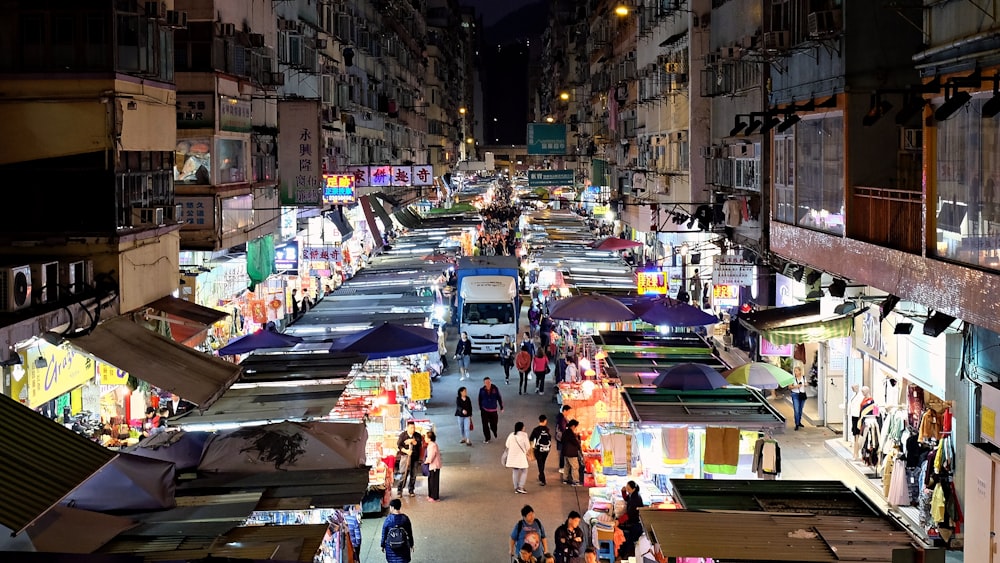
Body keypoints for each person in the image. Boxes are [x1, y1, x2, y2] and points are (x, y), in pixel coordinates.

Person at [380, 499, 414, 563]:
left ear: (392, 507)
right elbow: (410, 533)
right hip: (403, 547)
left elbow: (384, 533)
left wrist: (382, 545)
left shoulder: (388, 519)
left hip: (391, 548)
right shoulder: (405, 518)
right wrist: (411, 544)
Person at [618, 480, 645, 558]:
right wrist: (623, 492)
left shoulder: (635, 499)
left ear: (633, 489)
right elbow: (627, 499)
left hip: (635, 523)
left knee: (629, 539)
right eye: (626, 487)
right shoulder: (632, 495)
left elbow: (629, 515)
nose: (627, 489)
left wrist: (618, 521)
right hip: (633, 521)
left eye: (628, 488)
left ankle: (625, 555)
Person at [396, 421, 422, 497]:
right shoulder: (403, 435)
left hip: (415, 458)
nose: (413, 429)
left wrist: (412, 441)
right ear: (407, 428)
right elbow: (399, 446)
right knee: (404, 474)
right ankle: (399, 490)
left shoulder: (417, 435)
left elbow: (419, 443)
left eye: (414, 427)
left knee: (413, 475)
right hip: (405, 457)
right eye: (411, 427)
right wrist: (406, 451)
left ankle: (411, 490)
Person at [505, 421, 532, 494]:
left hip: (513, 457)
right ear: (522, 428)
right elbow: (528, 447)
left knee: (515, 471)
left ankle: (516, 487)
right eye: (524, 426)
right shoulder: (524, 436)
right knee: (524, 471)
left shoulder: (511, 435)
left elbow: (507, 445)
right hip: (521, 457)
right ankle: (521, 487)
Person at [528, 414, 553, 486]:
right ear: (545, 421)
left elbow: (531, 439)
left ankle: (542, 479)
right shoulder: (547, 429)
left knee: (540, 463)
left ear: (539, 420)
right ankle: (541, 475)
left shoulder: (536, 430)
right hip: (546, 450)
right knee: (543, 463)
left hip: (538, 449)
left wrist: (531, 448)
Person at [478, 377, 504, 443]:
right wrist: (480, 407)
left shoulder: (495, 389)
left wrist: (501, 407)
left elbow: (499, 398)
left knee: (494, 423)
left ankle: (494, 430)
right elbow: (479, 399)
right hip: (484, 410)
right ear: (484, 383)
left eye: (489, 382)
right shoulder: (482, 390)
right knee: (485, 425)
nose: (488, 383)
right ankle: (487, 438)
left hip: (493, 410)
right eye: (486, 382)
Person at [561, 419, 583, 486]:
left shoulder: (566, 431)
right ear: (573, 426)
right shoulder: (570, 433)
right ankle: (575, 481)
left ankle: (565, 479)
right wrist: (579, 446)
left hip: (565, 452)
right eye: (575, 427)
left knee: (567, 466)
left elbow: (562, 440)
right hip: (571, 453)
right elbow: (575, 443)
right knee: (575, 467)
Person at [423, 430, 441, 502]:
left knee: (434, 482)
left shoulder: (433, 446)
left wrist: (426, 461)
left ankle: (435, 497)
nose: (425, 439)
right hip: (432, 466)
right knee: (430, 481)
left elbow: (431, 457)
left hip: (434, 466)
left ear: (429, 438)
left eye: (426, 437)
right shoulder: (431, 445)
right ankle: (431, 495)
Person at [790, 365, 808, 430]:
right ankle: (797, 424)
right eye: (794, 371)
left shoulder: (803, 377)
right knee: (796, 410)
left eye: (796, 371)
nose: (795, 372)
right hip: (795, 394)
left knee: (800, 409)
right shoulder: (792, 379)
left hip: (802, 394)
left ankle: (799, 422)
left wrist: (805, 384)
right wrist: (796, 386)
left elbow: (806, 384)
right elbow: (789, 387)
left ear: (800, 371)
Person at [556, 405, 572, 474]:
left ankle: (562, 466)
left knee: (562, 452)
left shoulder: (562, 417)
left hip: (560, 437)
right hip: (561, 438)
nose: (568, 413)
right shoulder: (561, 418)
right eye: (568, 411)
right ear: (564, 411)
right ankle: (561, 467)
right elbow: (563, 428)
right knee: (562, 453)